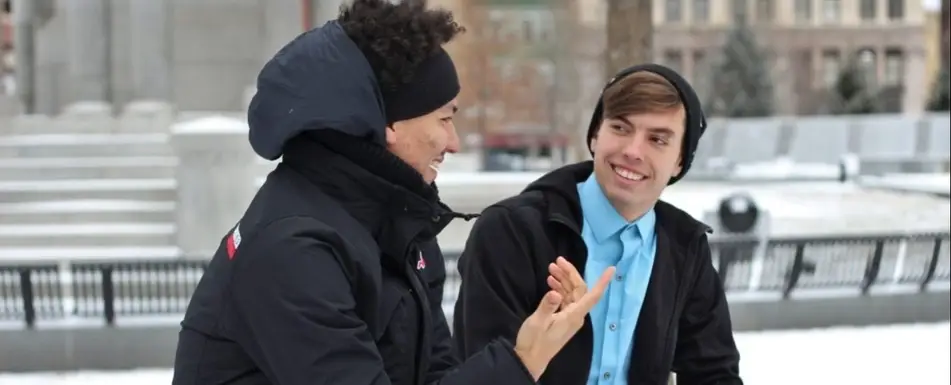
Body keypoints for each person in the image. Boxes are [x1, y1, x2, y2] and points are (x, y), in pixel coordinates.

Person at [170, 1, 614, 384]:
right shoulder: (292, 250)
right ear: (385, 125)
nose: (454, 141)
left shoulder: (398, 228)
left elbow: (434, 375)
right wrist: (521, 362)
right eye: (443, 118)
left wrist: (530, 348)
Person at [452, 64, 744, 385]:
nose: (633, 151)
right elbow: (481, 372)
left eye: (658, 139)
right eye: (620, 128)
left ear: (679, 161)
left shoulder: (685, 247)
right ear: (594, 135)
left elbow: (714, 373)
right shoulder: (512, 232)